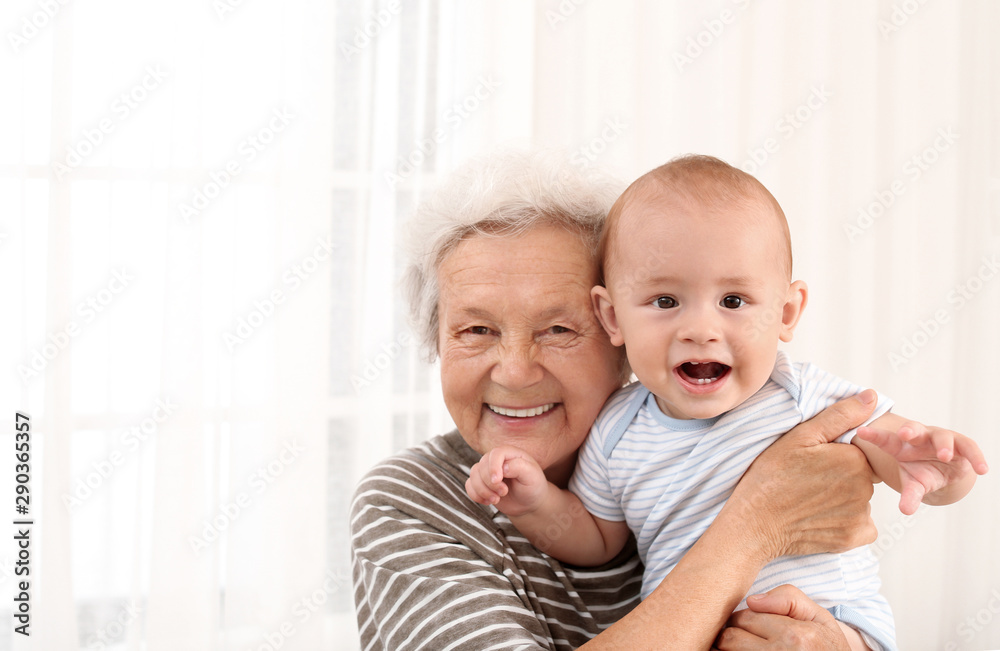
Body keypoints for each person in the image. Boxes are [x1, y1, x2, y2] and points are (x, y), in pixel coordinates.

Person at [352, 149, 889, 650]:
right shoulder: (408, 502)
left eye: (559, 329)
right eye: (475, 330)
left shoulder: (735, 443)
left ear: (622, 337)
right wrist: (755, 528)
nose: (514, 372)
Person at [465, 155, 989, 650]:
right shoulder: (616, 430)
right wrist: (533, 503)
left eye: (733, 301)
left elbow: (891, 448)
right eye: (665, 301)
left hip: (835, 624)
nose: (700, 329)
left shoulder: (800, 395)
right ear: (612, 317)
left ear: (786, 312)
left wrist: (936, 467)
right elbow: (598, 538)